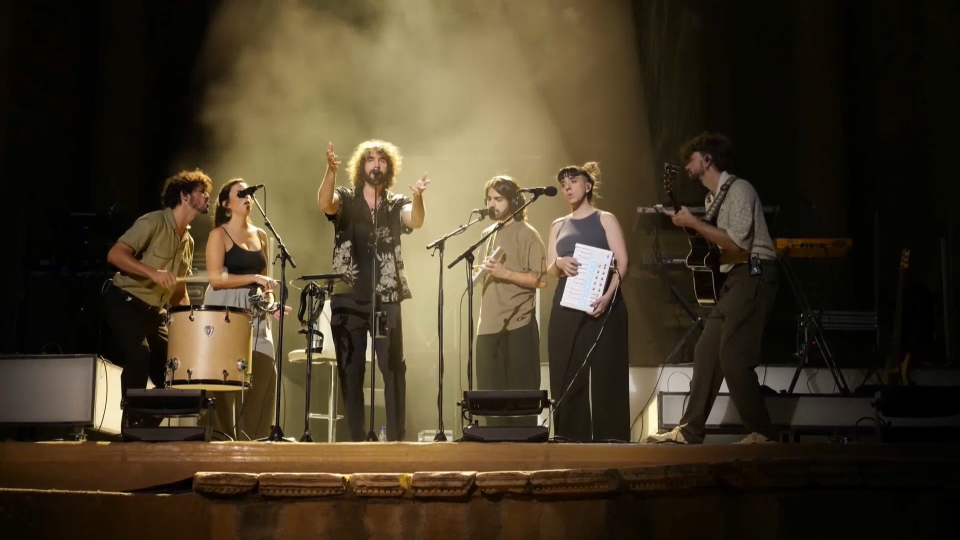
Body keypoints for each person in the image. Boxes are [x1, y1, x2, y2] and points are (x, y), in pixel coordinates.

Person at [646, 132, 779, 445]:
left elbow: (737, 242)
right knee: (707, 350)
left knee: (733, 354)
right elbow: (716, 243)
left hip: (755, 273)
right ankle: (691, 430)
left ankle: (763, 433)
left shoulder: (740, 190)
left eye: (691, 159)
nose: (687, 165)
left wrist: (693, 224)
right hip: (735, 279)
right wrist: (688, 224)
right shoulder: (712, 199)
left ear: (707, 159)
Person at [317, 140, 430, 442]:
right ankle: (356, 443)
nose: (375, 164)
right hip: (347, 296)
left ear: (388, 168)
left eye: (381, 160)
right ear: (361, 166)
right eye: (370, 159)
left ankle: (395, 440)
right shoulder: (346, 198)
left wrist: (418, 198)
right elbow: (325, 203)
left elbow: (415, 220)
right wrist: (330, 172)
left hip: (387, 297)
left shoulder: (395, 204)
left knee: (393, 370)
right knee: (351, 374)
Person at [103, 169, 212, 423]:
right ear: (185, 196)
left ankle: (147, 427)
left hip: (155, 312)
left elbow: (178, 293)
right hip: (126, 300)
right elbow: (115, 255)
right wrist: (152, 272)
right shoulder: (152, 222)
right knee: (139, 356)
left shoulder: (188, 241)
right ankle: (131, 424)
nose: (208, 197)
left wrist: (190, 325)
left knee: (176, 368)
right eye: (202, 192)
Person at [545, 161, 630, 442]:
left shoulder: (605, 218)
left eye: (573, 181)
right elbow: (549, 269)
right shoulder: (558, 225)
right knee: (567, 370)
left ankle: (611, 440)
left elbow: (622, 261)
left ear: (588, 185)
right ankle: (571, 438)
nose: (567, 187)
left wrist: (608, 296)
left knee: (607, 372)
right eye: (563, 184)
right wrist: (559, 261)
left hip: (603, 301)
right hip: (568, 304)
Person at [203, 179, 282, 440]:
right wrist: (255, 280)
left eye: (249, 193)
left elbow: (266, 281)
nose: (248, 197)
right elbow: (215, 279)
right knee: (225, 379)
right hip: (225, 306)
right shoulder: (219, 234)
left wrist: (272, 305)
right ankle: (221, 438)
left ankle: (256, 440)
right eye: (241, 193)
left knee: (263, 370)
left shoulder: (262, 235)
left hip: (255, 310)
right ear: (226, 204)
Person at [474, 176, 547, 427]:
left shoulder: (528, 234)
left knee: (520, 401)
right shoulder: (487, 233)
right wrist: (478, 272)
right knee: (490, 401)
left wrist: (505, 273)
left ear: (514, 201)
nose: (492, 204)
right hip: (488, 326)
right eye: (489, 199)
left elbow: (540, 280)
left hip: (518, 324)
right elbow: (486, 273)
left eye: (498, 199)